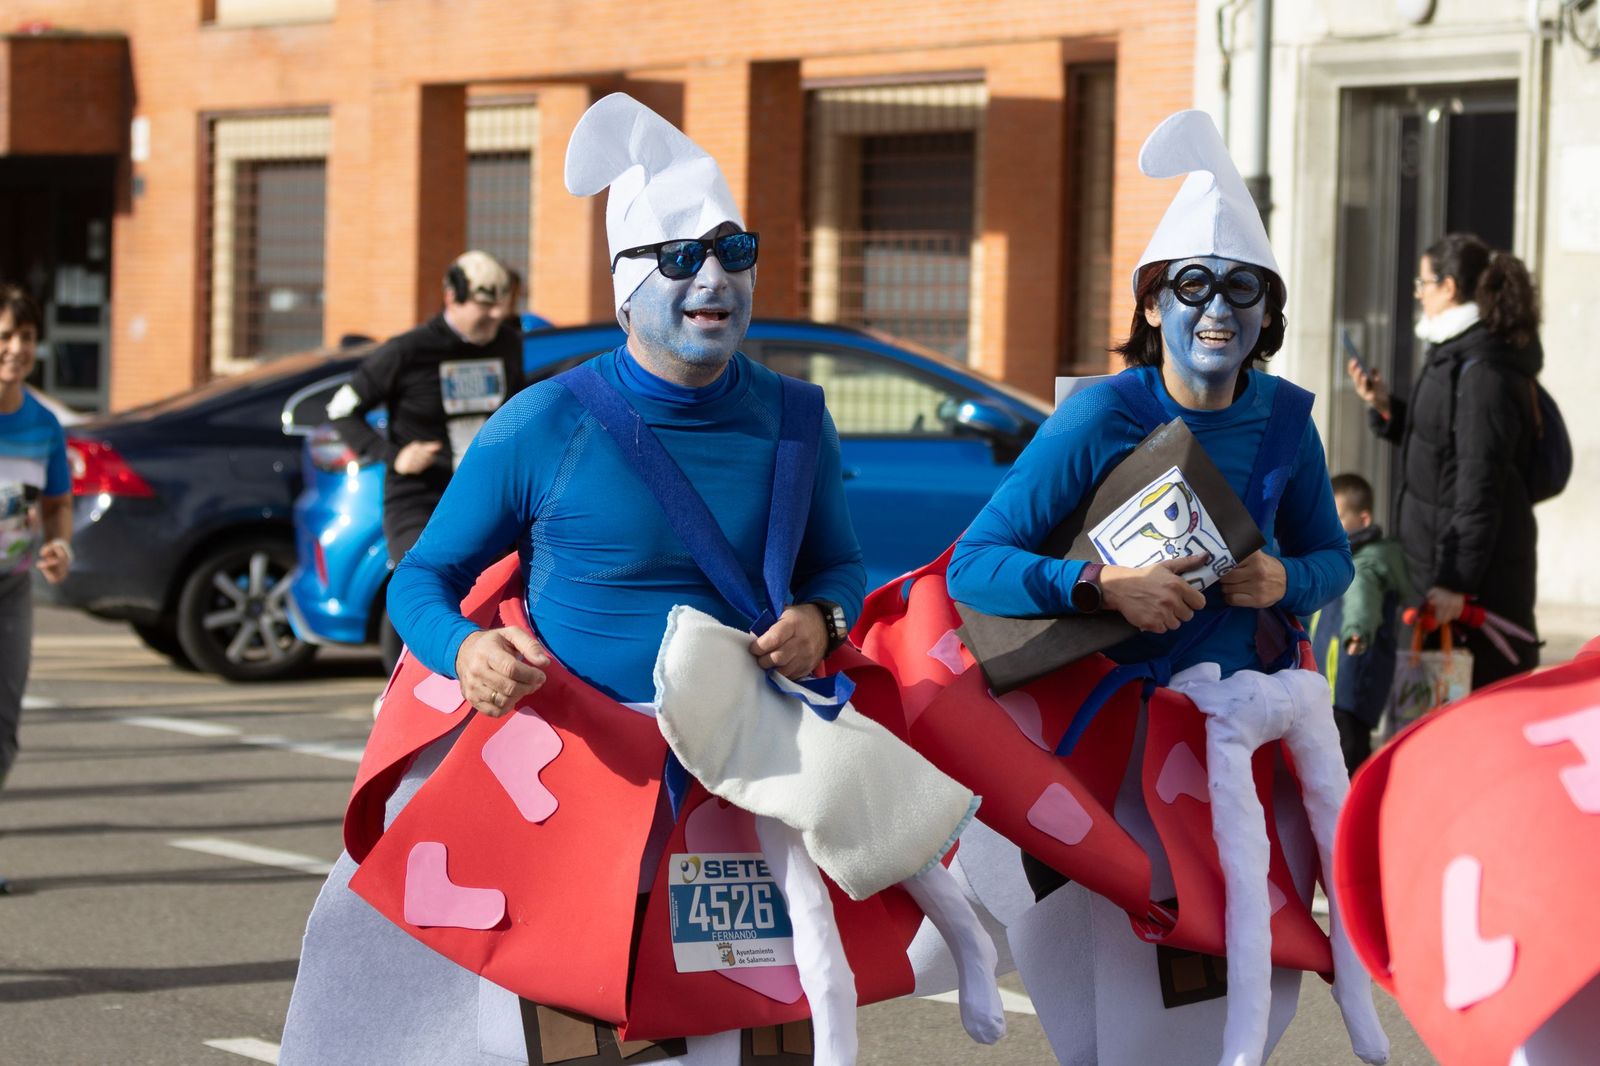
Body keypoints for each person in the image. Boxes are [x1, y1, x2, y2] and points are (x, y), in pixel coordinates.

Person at [282, 95, 999, 1066]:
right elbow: (428, 576)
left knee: (748, 1037)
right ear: (624, 289)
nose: (710, 277)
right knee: (570, 1037)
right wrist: (467, 648)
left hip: (740, 781)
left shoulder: (796, 415)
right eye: (678, 257)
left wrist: (821, 617)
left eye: (731, 253)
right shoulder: (543, 423)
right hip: (573, 781)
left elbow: (837, 565)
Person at [925, 110, 1386, 1065]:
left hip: (1239, 743)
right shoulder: (1101, 413)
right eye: (1194, 286)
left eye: (1242, 290)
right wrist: (1102, 586)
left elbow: (1333, 562)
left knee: (1223, 989)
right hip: (1108, 748)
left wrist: (1283, 578)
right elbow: (975, 561)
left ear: (1267, 311)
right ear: (1153, 305)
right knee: (1113, 1002)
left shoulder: (1287, 424)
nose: (1217, 308)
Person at [1346, 233, 1543, 689]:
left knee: (1472, 726)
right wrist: (1386, 408)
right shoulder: (1453, 353)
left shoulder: (1482, 371)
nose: (1418, 293)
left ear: (1450, 287)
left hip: (1470, 587)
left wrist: (1456, 582)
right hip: (1438, 567)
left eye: (1423, 282)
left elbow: (1479, 485)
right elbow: (1444, 446)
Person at [326, 250, 524, 672]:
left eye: (499, 308)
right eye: (483, 308)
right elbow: (341, 409)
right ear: (451, 296)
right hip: (419, 496)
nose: (493, 319)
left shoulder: (507, 344)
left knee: (495, 589)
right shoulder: (408, 351)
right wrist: (395, 456)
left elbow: (513, 411)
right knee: (419, 588)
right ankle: (397, 693)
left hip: (481, 493)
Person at [0, 284, 73, 895]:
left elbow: (56, 504)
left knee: (4, 725)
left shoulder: (43, 424)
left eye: (24, 338)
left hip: (11, 586)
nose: (16, 349)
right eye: (5, 338)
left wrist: (59, 546)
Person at [1310, 472, 1411, 774]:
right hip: (1338, 679)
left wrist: (1356, 632)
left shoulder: (1362, 563)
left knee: (1347, 755)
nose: (1330, 522)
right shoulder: (1341, 558)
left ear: (1363, 519)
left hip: (1347, 681)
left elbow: (1361, 602)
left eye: (1338, 516)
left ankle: (1350, 815)